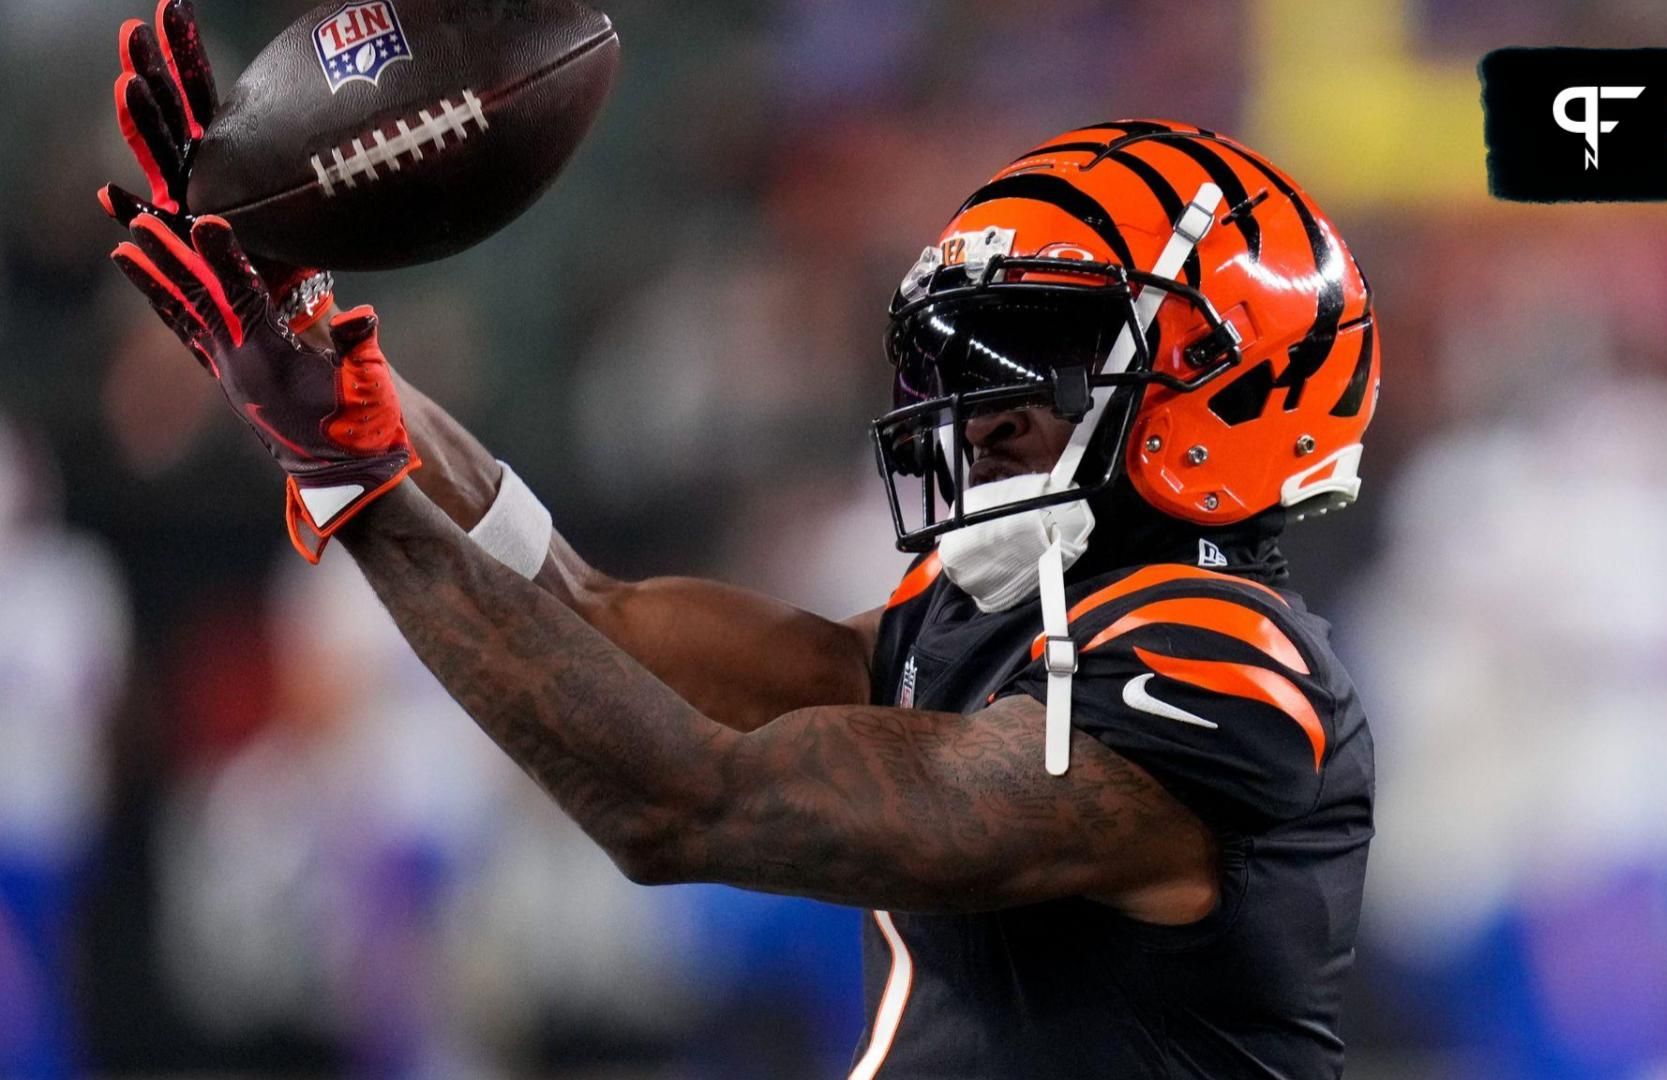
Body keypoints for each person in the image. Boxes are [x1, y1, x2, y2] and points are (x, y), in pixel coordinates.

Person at [103, 4, 1381, 1075]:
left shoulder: (1220, 674)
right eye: (965, 356)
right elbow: (591, 614)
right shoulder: (989, 619)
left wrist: (355, 482)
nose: (980, 410)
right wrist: (305, 325)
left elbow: (684, 806)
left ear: (1232, 387)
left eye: (1039, 361)